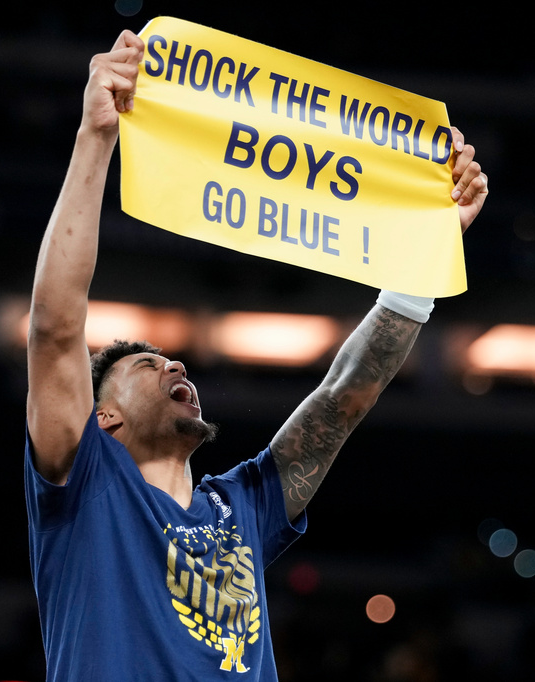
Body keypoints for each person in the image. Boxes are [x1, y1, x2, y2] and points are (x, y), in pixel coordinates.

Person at [24, 29, 488, 681]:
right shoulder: (86, 478)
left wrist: (426, 255)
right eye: (146, 367)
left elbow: (343, 399)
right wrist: (95, 138)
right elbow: (55, 325)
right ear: (105, 420)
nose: (175, 365)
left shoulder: (242, 507)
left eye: (171, 361)